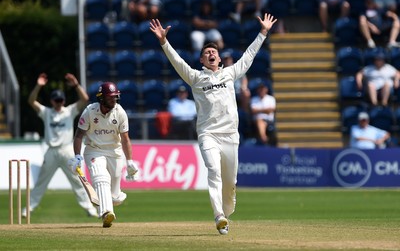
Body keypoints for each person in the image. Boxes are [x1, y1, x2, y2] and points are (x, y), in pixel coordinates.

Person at [150, 13, 277, 235]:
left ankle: (226, 210)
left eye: (214, 52)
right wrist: (163, 41)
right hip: (208, 134)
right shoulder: (195, 77)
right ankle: (218, 215)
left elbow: (248, 56)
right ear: (201, 60)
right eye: (206, 52)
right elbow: (177, 61)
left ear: (219, 59)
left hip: (230, 135)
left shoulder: (230, 73)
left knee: (230, 182)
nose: (210, 53)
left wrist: (263, 33)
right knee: (213, 171)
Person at [23, 73, 98, 218]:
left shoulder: (69, 111)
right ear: (51, 101)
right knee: (41, 183)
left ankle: (90, 208)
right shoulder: (46, 112)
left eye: (61, 100)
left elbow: (85, 99)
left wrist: (76, 85)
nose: (58, 103)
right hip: (51, 152)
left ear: (64, 100)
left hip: (67, 150)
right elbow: (31, 101)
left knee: (78, 180)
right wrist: (38, 85)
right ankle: (28, 209)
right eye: (56, 100)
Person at [70, 82, 139, 228]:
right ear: (102, 98)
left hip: (114, 152)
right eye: (111, 97)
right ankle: (106, 213)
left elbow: (125, 138)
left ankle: (113, 198)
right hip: (94, 150)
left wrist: (130, 161)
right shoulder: (89, 111)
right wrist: (77, 156)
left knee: (114, 195)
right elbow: (78, 136)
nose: (114, 100)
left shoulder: (120, 112)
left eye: (115, 97)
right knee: (101, 178)